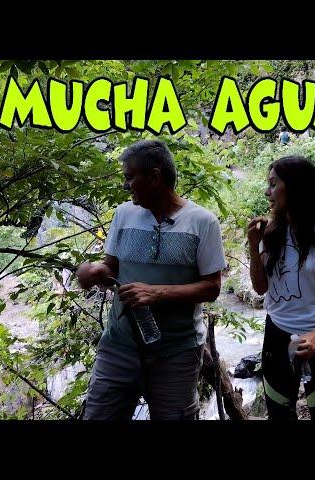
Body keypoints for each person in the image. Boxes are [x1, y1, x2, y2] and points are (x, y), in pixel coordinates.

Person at [76, 139, 226, 420]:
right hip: (119, 345)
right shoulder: (123, 214)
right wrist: (95, 272)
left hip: (176, 352)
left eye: (130, 177)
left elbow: (212, 287)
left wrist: (158, 293)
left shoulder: (203, 222)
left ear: (155, 177)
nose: (125, 185)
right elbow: (112, 269)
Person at [247, 156, 315, 421]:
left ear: (295, 187)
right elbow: (260, 288)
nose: (267, 192)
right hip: (276, 336)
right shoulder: (270, 234)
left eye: (273, 184)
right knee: (280, 414)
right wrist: (253, 245)